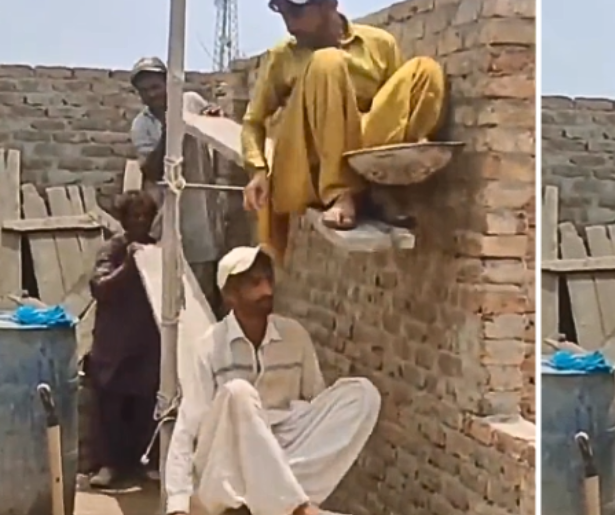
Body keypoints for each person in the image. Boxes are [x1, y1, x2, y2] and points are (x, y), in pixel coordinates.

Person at [164, 245, 382, 515]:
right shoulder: (210, 346)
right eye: (255, 283)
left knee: (362, 394)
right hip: (227, 466)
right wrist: (177, 504)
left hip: (285, 456)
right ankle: (296, 508)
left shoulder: (294, 335)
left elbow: (317, 404)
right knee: (238, 393)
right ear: (230, 296)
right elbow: (187, 428)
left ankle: (272, 498)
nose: (267, 290)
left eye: (268, 280)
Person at [240, 0, 446, 262]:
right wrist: (257, 170)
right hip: (309, 167)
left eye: (297, 11)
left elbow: (399, 107)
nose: (289, 23)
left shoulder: (379, 44)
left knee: (425, 71)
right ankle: (341, 192)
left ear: (329, 4)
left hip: (360, 153)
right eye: (282, 11)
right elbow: (253, 121)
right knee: (326, 61)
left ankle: (384, 186)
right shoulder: (283, 56)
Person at [129, 56, 224, 304]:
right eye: (144, 91)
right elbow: (150, 170)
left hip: (200, 212)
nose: (151, 94)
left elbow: (216, 126)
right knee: (172, 295)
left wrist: (213, 116)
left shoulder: (190, 101)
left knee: (204, 291)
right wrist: (171, 131)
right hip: (168, 215)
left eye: (155, 87)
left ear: (168, 83)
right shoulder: (142, 124)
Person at [86, 190, 162, 488]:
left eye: (146, 216)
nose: (141, 222)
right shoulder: (113, 250)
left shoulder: (157, 250)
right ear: (124, 219)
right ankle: (108, 465)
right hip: (114, 342)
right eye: (135, 216)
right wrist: (129, 266)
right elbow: (101, 287)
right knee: (110, 406)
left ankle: (144, 463)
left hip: (146, 341)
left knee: (146, 404)